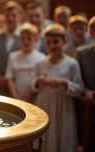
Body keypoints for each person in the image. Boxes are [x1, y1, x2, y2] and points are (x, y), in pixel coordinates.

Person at [32, 23, 85, 152]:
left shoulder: (72, 63)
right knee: (46, 137)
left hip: (64, 106)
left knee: (62, 137)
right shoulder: (40, 63)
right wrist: (38, 81)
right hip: (44, 104)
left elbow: (80, 89)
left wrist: (65, 82)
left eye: (56, 42)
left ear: (64, 41)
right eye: (48, 42)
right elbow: (33, 85)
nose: (52, 46)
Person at [5, 23, 46, 102]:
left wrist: (29, 98)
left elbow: (39, 81)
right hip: (16, 99)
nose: (25, 41)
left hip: (35, 99)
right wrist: (16, 98)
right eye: (22, 39)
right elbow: (10, 79)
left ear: (36, 39)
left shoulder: (42, 58)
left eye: (29, 38)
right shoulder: (13, 56)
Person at [0, 1, 22, 95]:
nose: (10, 19)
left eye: (13, 15)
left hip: (17, 85)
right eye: (7, 15)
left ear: (19, 17)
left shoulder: (24, 37)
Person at [75, 16, 95, 152]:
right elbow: (76, 79)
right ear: (91, 32)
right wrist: (85, 91)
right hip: (88, 107)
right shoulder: (81, 53)